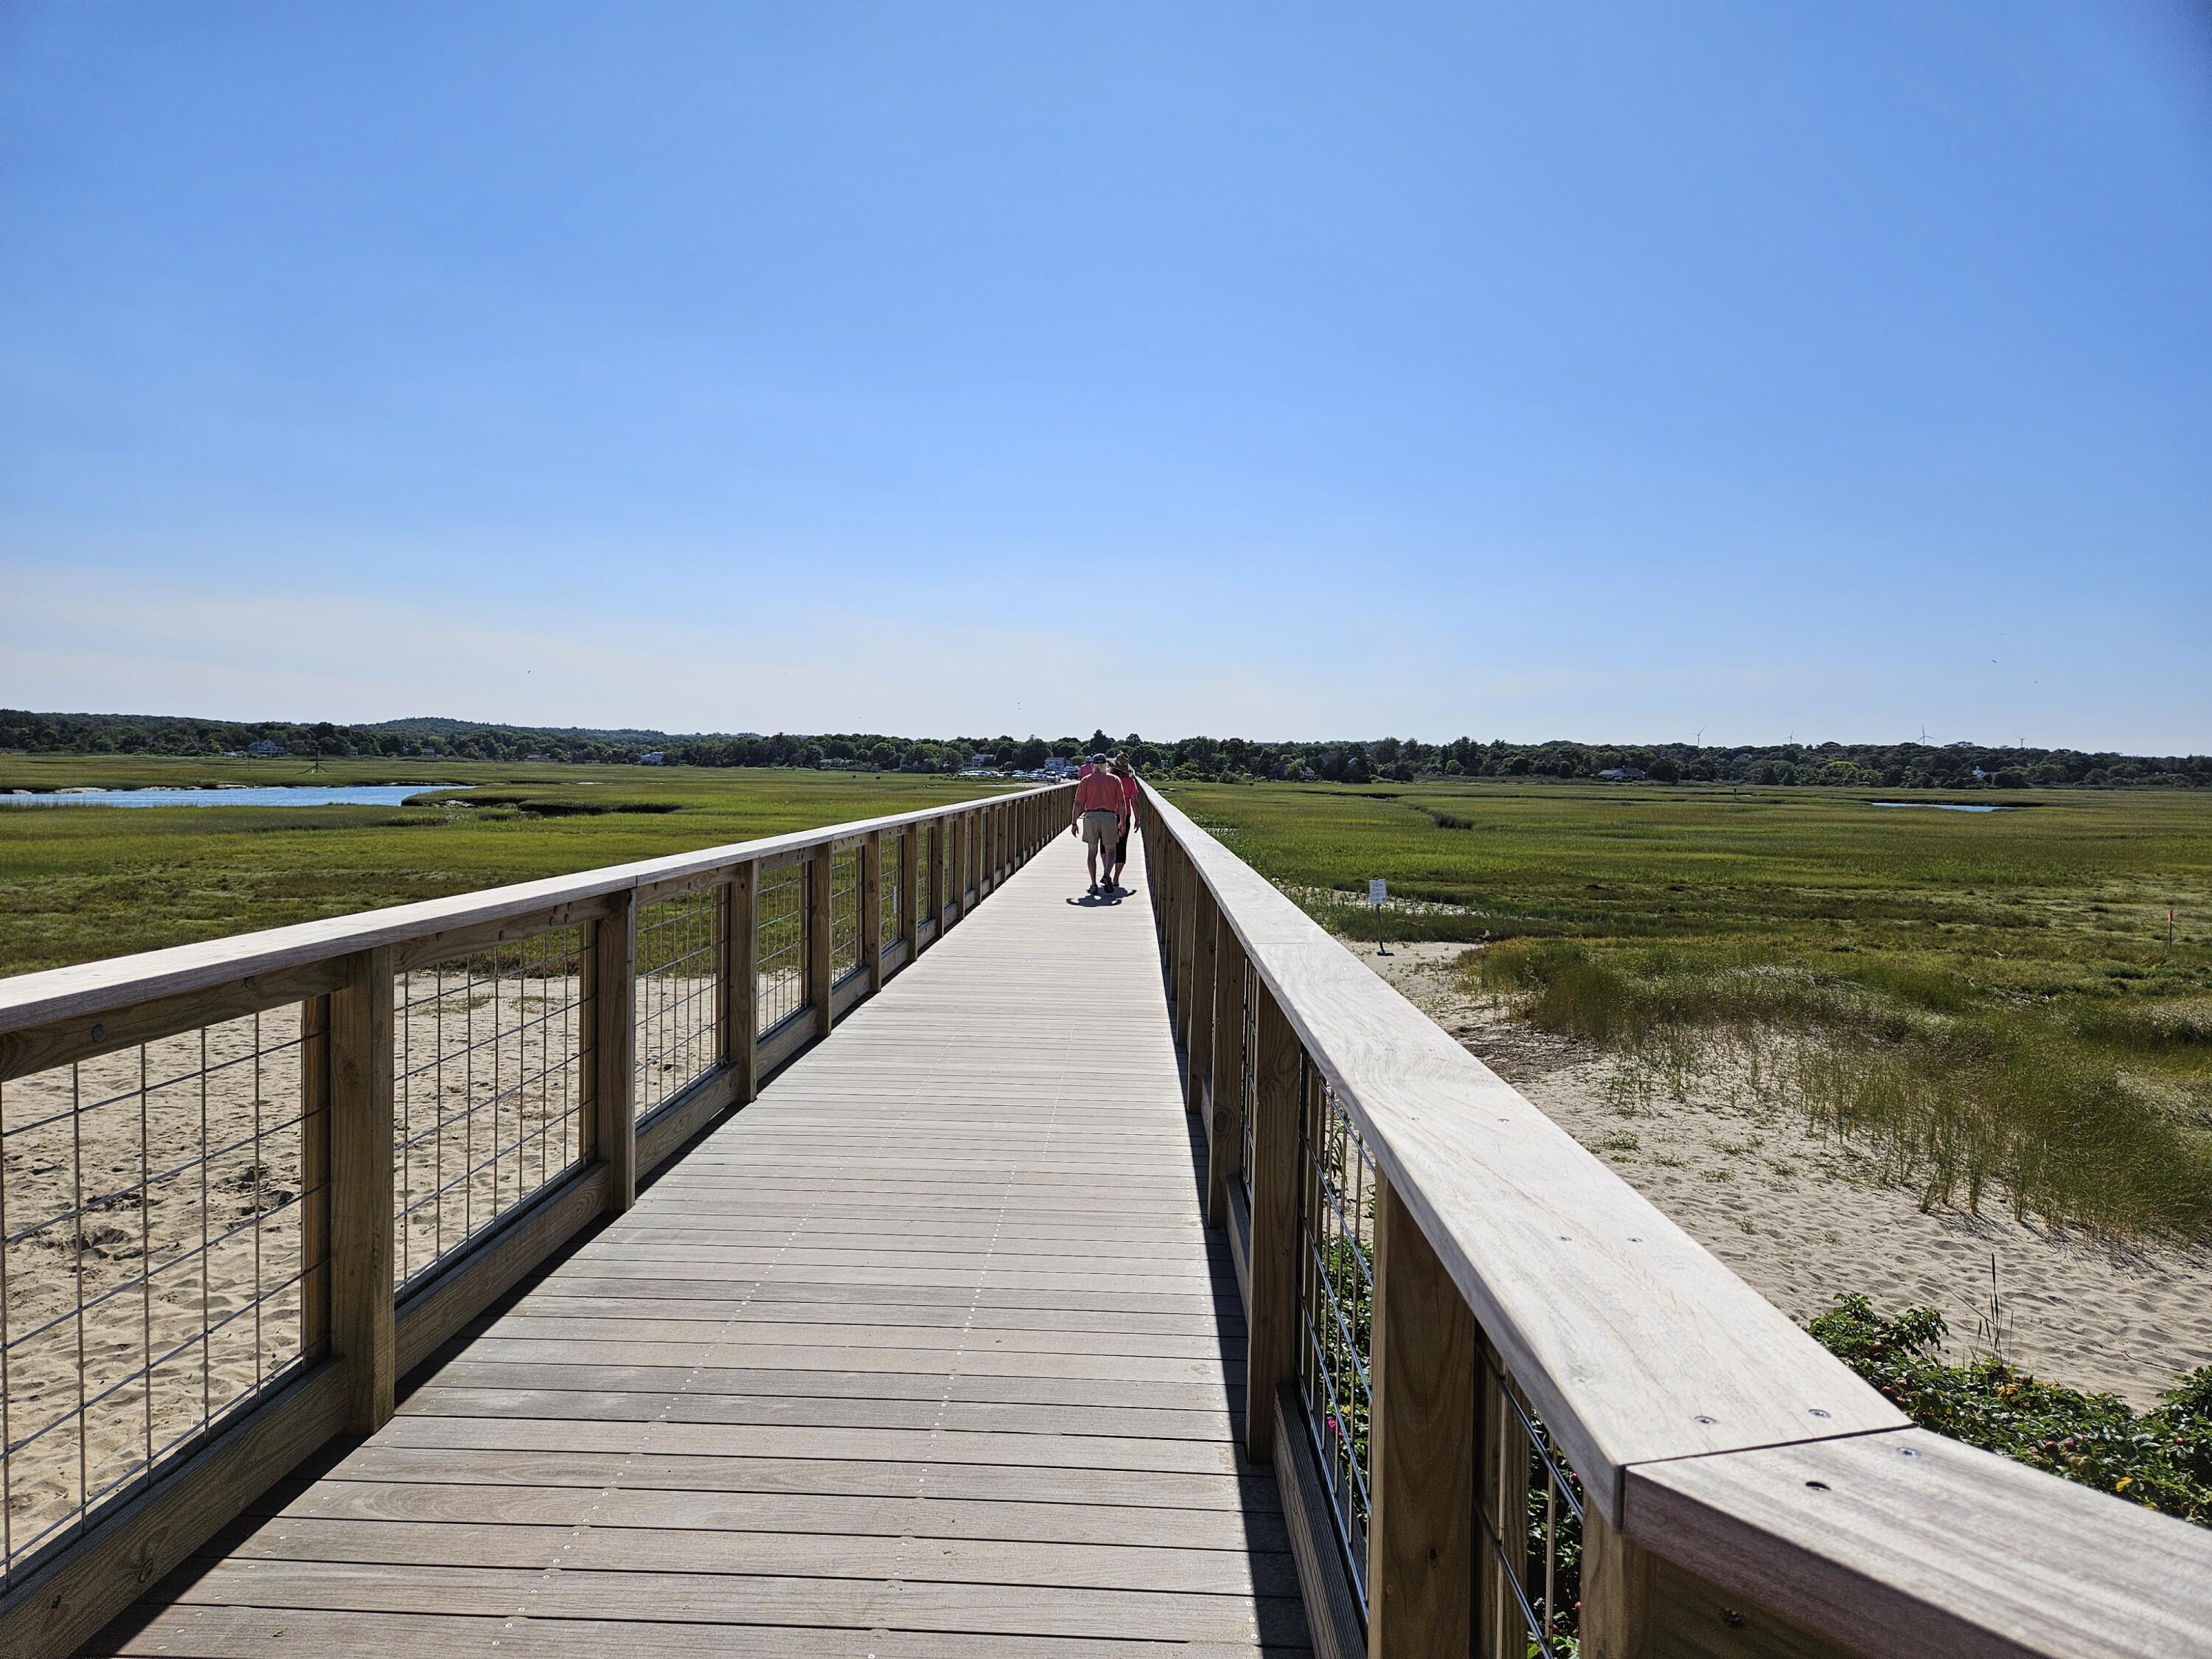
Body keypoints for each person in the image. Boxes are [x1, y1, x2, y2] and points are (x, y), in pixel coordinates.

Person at [1069, 755, 1127, 897]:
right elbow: (1121, 802)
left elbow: (1078, 803)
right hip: (1109, 817)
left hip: (1091, 816)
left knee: (1092, 853)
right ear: (1105, 765)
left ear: (1093, 765)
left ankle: (1094, 885)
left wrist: (1074, 822)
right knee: (1111, 852)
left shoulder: (1086, 780)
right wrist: (1122, 821)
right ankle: (1107, 874)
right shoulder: (1114, 780)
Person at [1107, 755, 1139, 891]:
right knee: (1122, 846)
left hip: (1108, 813)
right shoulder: (1130, 782)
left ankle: (1106, 873)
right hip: (1125, 815)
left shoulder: (1109, 780)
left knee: (1106, 845)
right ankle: (1116, 879)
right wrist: (1137, 818)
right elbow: (1134, 801)